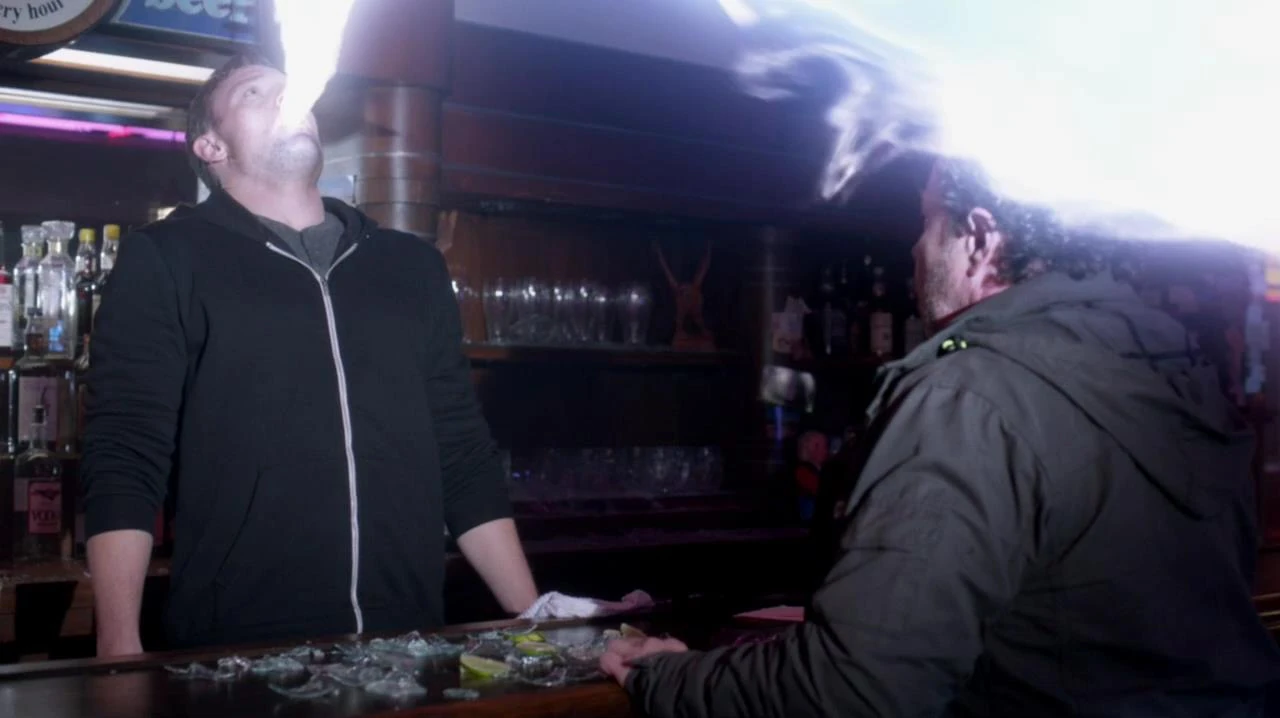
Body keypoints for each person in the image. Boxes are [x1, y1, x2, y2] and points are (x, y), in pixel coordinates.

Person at [601, 157, 1280, 716]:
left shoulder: (970, 396)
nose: (914, 248)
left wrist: (666, 678)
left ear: (979, 240)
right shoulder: (1171, 370)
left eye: (927, 222)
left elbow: (858, 692)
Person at [82, 52, 539, 655]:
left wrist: (536, 617)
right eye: (253, 94)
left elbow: (460, 450)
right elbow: (125, 451)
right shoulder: (166, 257)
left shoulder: (410, 266)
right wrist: (118, 648)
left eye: (288, 89)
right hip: (239, 645)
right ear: (211, 147)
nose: (283, 99)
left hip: (406, 637)